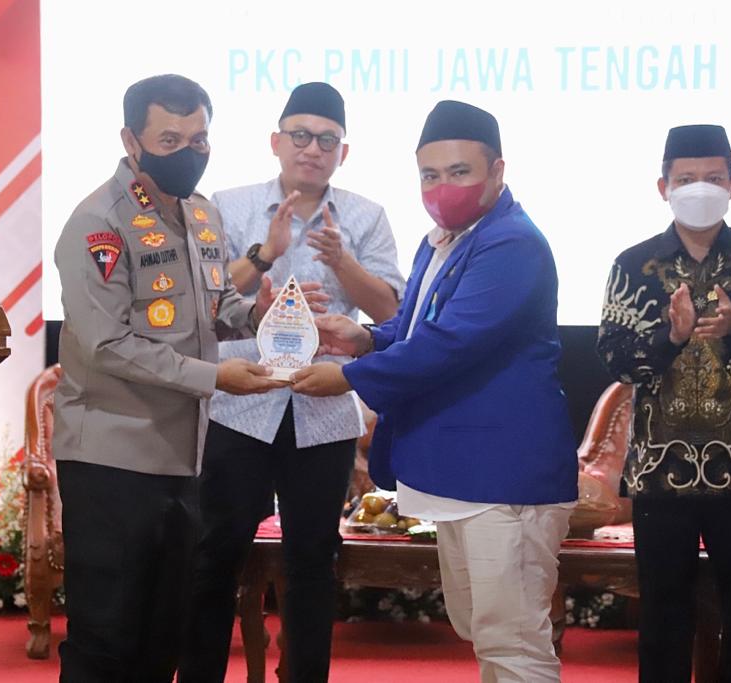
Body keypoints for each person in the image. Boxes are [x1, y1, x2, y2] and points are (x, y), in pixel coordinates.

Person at [291, 100, 578, 682]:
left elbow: (453, 341)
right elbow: (420, 326)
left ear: (497, 171)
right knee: (483, 628)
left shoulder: (511, 243)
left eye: (459, 172)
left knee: (513, 640)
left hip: (503, 474)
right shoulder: (444, 238)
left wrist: (347, 378)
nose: (442, 187)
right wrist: (367, 339)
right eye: (430, 174)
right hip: (461, 471)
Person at [52, 74, 310, 682]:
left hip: (182, 459)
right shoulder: (98, 223)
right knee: (106, 639)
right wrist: (214, 377)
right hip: (111, 459)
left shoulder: (201, 213)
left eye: (199, 139)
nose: (188, 153)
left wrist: (261, 316)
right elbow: (108, 345)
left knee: (162, 636)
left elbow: (211, 311)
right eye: (170, 139)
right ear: (131, 141)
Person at [178, 82, 405, 683]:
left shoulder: (367, 216)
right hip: (240, 402)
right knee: (215, 554)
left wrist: (341, 263)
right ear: (276, 142)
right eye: (300, 136)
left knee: (312, 560)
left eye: (327, 140)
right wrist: (264, 258)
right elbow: (202, 300)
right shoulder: (227, 206)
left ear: (343, 152)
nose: (312, 149)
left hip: (322, 407)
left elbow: (389, 312)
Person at [596, 124, 731, 682]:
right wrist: (670, 336)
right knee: (663, 612)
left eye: (713, 177)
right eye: (686, 178)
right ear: (662, 187)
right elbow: (615, 358)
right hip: (660, 471)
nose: (700, 188)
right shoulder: (632, 265)